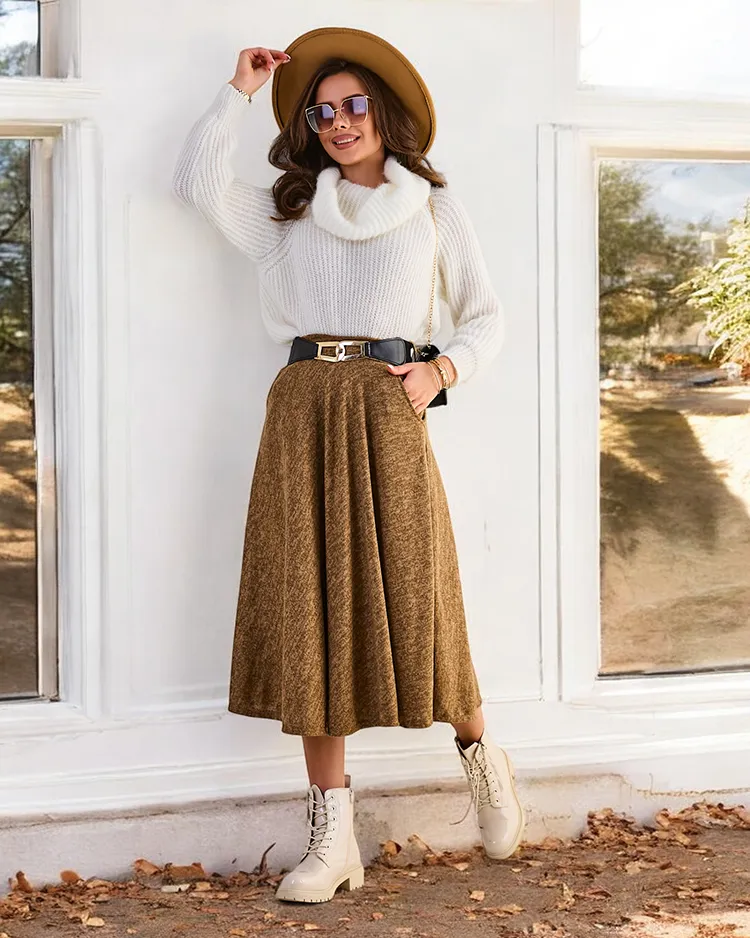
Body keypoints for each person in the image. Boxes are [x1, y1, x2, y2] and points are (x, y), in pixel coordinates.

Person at [172, 25, 525, 905]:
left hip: (388, 405)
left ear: (385, 111)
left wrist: (443, 371)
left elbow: (486, 316)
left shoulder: (434, 207)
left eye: (354, 104)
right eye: (322, 112)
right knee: (310, 609)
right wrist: (240, 90)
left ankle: (482, 755)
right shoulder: (289, 210)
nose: (338, 122)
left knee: (419, 594)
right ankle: (332, 838)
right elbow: (196, 185)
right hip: (301, 409)